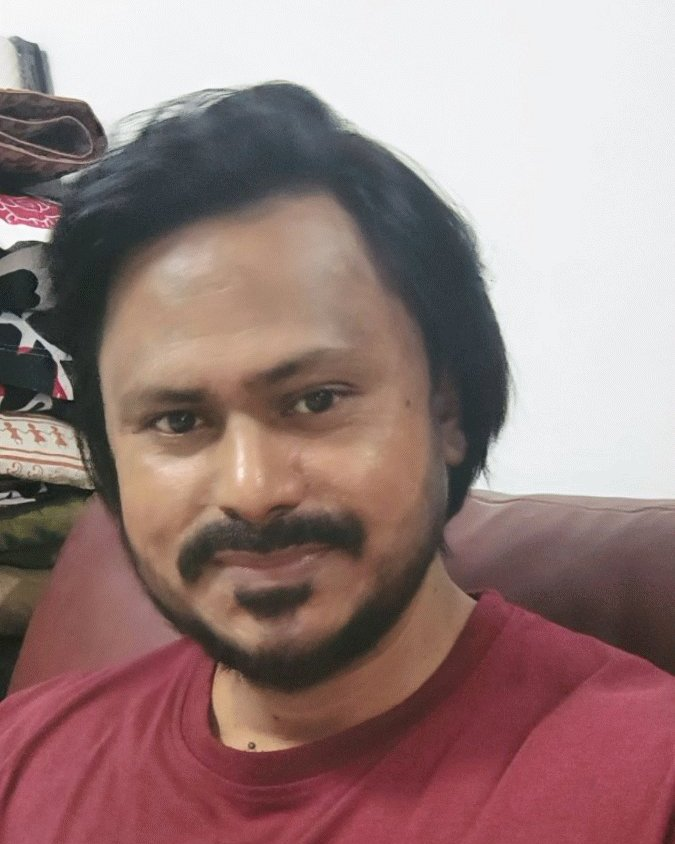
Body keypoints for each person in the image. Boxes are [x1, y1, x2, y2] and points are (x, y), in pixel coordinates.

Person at [0, 82, 672, 844]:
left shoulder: (645, 783)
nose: (253, 490)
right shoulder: (23, 762)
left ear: (447, 411)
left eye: (316, 400)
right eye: (178, 421)